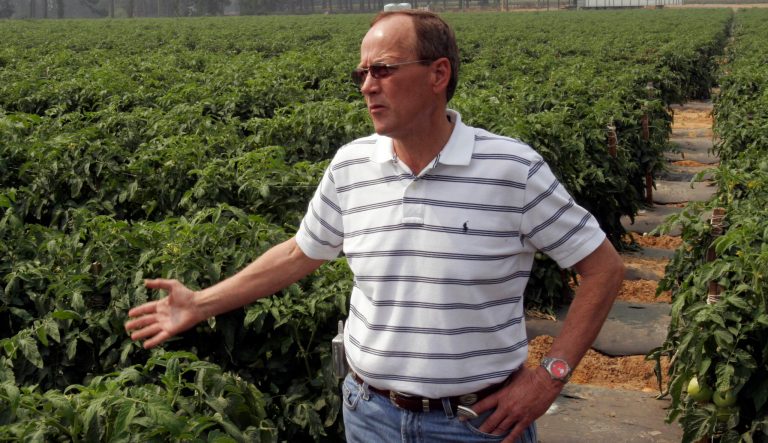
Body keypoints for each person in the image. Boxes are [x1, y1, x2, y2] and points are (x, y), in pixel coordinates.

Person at [125, 10, 624, 443]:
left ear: (438, 73)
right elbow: (302, 252)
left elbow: (603, 269)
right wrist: (200, 303)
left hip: (478, 424)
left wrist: (548, 378)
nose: (367, 85)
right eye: (362, 72)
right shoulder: (351, 165)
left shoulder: (512, 169)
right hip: (370, 415)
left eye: (383, 70)